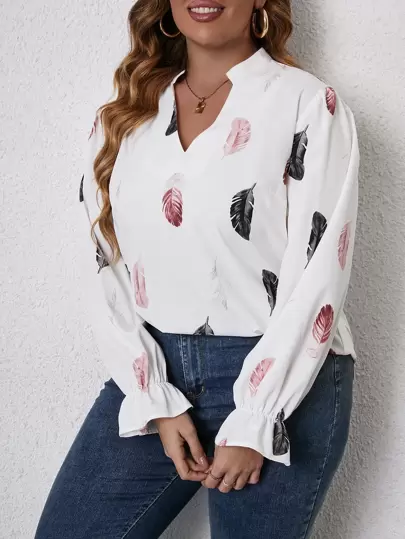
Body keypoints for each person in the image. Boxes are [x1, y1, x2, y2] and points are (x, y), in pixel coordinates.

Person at [35, 0, 359, 537]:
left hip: (285, 378)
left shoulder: (307, 104)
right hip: (153, 369)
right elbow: (102, 265)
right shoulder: (127, 115)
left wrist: (259, 415)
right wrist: (153, 397)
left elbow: (321, 265)